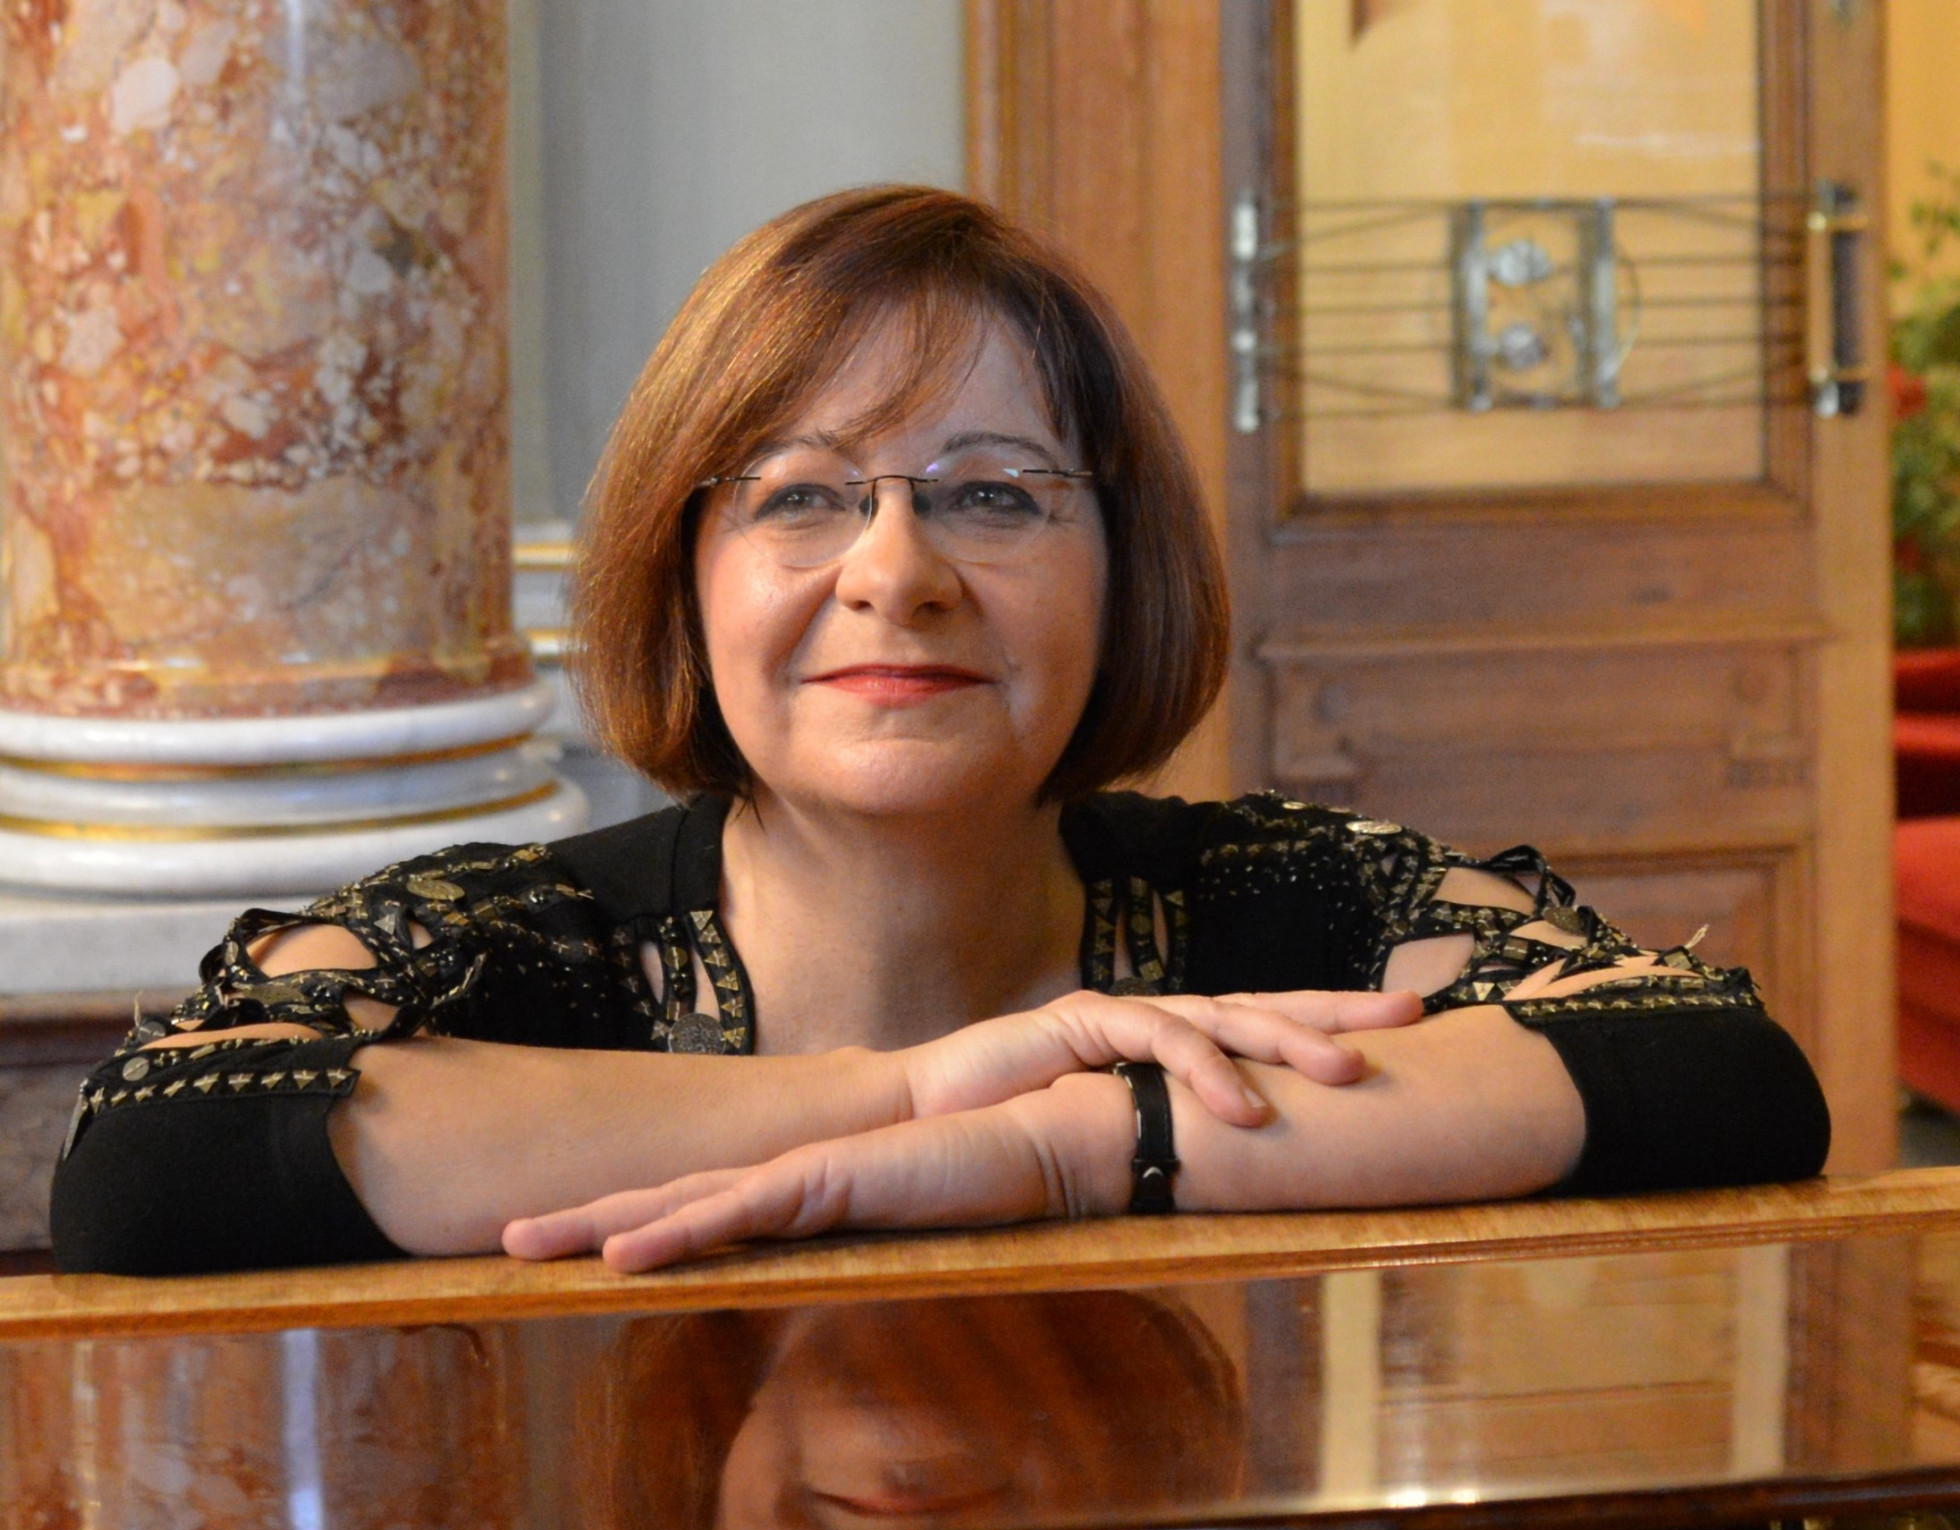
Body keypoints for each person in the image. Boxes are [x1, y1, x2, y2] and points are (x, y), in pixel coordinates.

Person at [48, 187, 1829, 1277]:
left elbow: (1709, 1068)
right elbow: (155, 1161)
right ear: (684, 572)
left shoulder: (1291, 900)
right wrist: (904, 1093)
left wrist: (1064, 1144)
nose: (896, 573)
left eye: (994, 494)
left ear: (1123, 567)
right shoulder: (517, 937)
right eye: (802, 495)